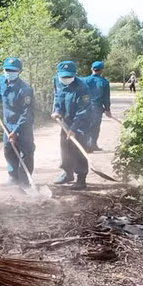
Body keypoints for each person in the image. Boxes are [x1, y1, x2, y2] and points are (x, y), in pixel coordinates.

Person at [0, 57, 34, 186]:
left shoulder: (25, 89)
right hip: (7, 123)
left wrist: (15, 131)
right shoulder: (2, 80)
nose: (9, 72)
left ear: (20, 71)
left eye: (12, 70)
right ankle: (13, 178)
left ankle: (25, 181)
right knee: (9, 151)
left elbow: (27, 114)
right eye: (7, 69)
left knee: (25, 153)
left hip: (22, 125)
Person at [51, 61, 92, 190]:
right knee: (65, 148)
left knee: (78, 150)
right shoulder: (57, 81)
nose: (66, 79)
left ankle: (81, 178)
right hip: (65, 122)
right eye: (63, 77)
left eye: (69, 77)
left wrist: (74, 129)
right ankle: (67, 174)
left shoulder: (82, 87)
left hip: (81, 124)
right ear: (58, 75)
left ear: (74, 75)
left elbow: (83, 111)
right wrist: (57, 110)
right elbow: (57, 97)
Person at [82, 61, 112, 151]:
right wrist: (107, 109)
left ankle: (86, 146)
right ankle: (92, 145)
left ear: (92, 69)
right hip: (97, 107)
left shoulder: (84, 80)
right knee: (95, 126)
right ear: (102, 70)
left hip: (84, 106)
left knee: (85, 125)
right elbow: (106, 97)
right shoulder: (104, 82)